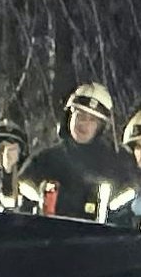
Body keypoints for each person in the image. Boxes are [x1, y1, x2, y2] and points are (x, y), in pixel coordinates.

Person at [19, 82, 132, 221]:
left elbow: (127, 205)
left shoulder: (118, 163)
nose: (83, 124)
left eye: (92, 120)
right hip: (50, 237)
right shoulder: (46, 160)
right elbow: (23, 187)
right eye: (80, 116)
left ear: (101, 127)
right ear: (69, 116)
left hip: (101, 240)